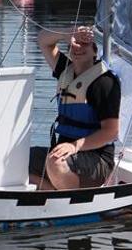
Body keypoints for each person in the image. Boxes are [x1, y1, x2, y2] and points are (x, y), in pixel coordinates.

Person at [29, 26, 121, 190]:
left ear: (95, 51)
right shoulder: (65, 70)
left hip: (96, 159)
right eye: (74, 44)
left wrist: (75, 146)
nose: (78, 48)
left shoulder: (105, 83)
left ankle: (67, 200)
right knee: (19, 157)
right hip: (64, 153)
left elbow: (111, 131)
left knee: (55, 162)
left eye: (85, 44)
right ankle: (50, 192)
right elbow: (43, 40)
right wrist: (67, 33)